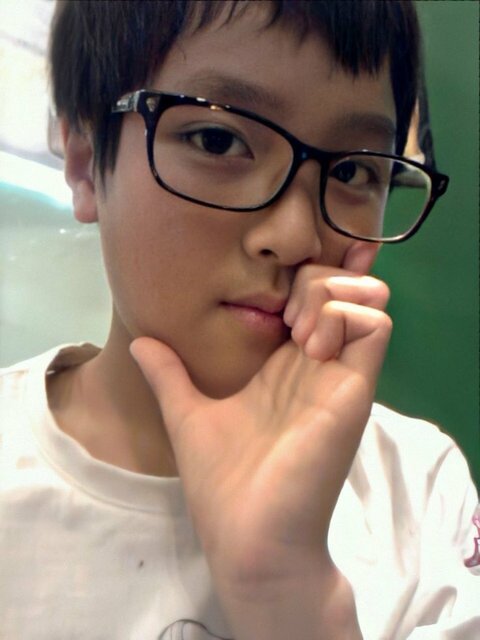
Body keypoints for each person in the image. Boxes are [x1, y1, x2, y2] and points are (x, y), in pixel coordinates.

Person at [0, 1, 478, 638]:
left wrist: (289, 595)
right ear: (86, 161)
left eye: (353, 170)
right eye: (218, 140)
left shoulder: (421, 488)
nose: (296, 235)